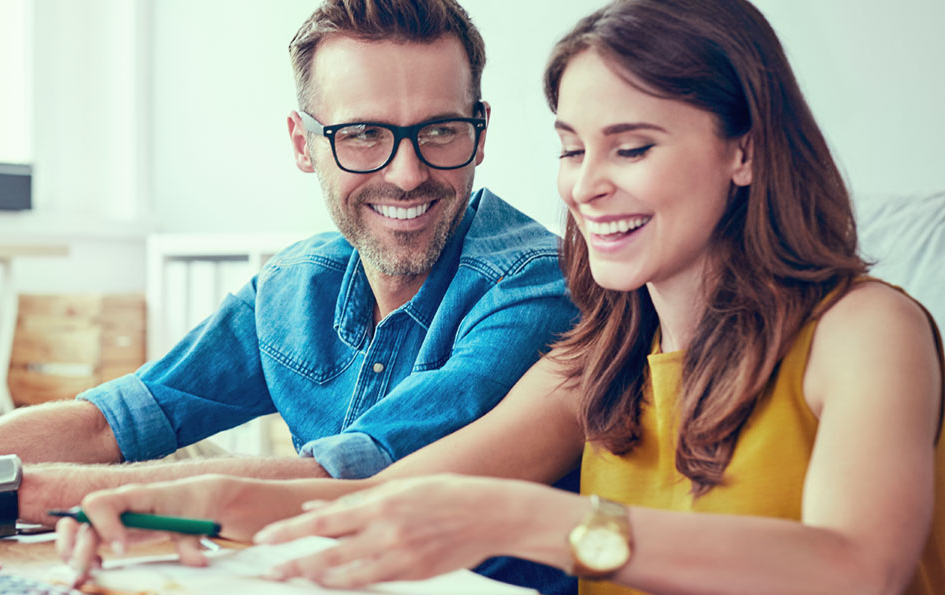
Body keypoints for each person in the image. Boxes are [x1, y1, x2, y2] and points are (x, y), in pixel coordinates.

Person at [57, 0, 945, 593]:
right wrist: (185, 507)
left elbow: (857, 563)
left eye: (630, 147)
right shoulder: (601, 354)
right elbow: (395, 495)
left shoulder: (866, 330)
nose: (586, 186)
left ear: (743, 150)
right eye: (571, 147)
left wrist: (541, 519)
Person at [0, 0, 578, 591]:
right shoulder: (297, 281)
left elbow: (338, 477)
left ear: (479, 131)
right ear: (302, 142)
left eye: (439, 131)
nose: (407, 171)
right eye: (361, 134)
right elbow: (113, 419)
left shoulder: (533, 285)